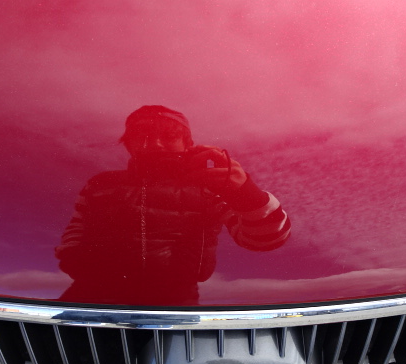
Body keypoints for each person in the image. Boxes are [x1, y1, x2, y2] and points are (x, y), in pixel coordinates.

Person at [55, 106, 291, 305]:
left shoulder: (208, 187)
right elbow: (77, 226)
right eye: (142, 135)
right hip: (90, 294)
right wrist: (73, 260)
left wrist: (246, 194)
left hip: (175, 300)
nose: (155, 144)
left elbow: (264, 240)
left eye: (169, 136)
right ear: (129, 143)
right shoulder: (102, 183)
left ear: (187, 144)